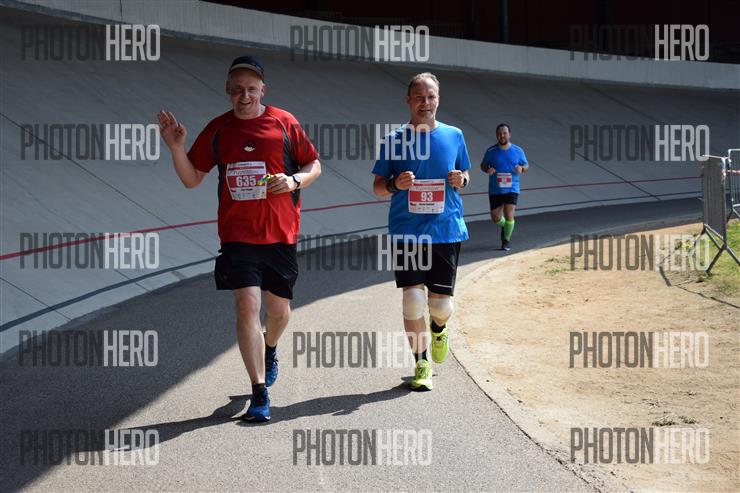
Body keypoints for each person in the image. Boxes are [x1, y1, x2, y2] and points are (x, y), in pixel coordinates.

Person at [158, 55, 321, 422]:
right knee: (247, 305)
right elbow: (192, 179)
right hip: (237, 235)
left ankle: (270, 346)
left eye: (251, 89)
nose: (244, 96)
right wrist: (176, 148)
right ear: (228, 91)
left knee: (278, 312)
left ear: (262, 90)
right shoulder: (219, 129)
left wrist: (294, 181)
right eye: (237, 90)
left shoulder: (284, 122)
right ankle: (259, 392)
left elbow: (314, 164)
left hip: (279, 234)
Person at [371, 72, 471, 391]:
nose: (425, 103)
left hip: (445, 229)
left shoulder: (454, 135)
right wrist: (394, 184)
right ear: (408, 101)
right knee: (413, 300)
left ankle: (439, 329)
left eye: (430, 97)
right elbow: (377, 187)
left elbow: (465, 174)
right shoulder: (393, 140)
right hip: (408, 231)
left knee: (440, 307)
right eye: (419, 97)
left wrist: (461, 180)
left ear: (438, 99)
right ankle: (421, 362)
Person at [480, 123, 529, 251]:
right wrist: (487, 169)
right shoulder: (491, 151)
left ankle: (506, 240)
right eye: (499, 134)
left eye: (504, 133)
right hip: (495, 189)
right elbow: (483, 165)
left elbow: (526, 166)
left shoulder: (518, 151)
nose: (502, 135)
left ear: (509, 134)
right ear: (497, 135)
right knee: (496, 218)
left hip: (512, 188)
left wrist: (522, 169)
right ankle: (506, 226)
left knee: (509, 215)